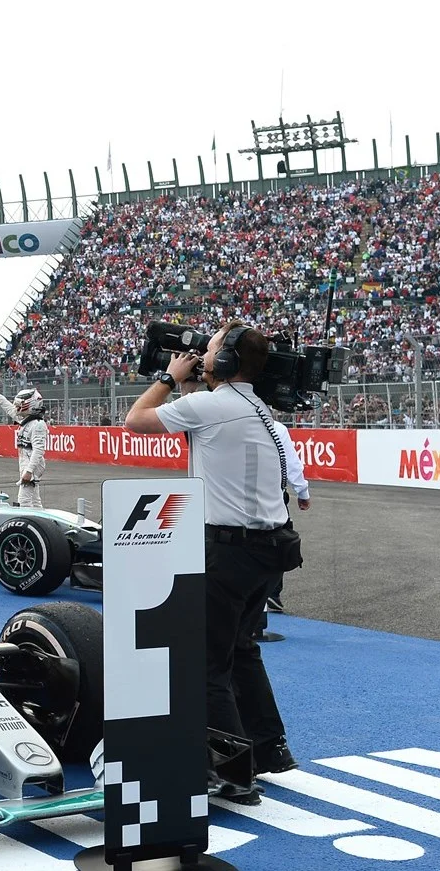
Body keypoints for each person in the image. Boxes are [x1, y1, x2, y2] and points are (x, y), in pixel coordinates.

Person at [125, 320, 302, 805]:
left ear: (225, 361)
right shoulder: (256, 407)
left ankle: (232, 775)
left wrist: (168, 377)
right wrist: (190, 384)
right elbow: (201, 436)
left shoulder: (213, 406)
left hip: (229, 551)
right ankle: (269, 748)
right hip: (267, 550)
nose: (202, 354)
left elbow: (134, 421)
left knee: (206, 663)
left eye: (210, 350)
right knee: (241, 650)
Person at [252, 418, 312, 643]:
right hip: (272, 498)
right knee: (279, 544)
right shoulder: (275, 428)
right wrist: (303, 492)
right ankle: (272, 593)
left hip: (232, 501)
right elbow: (291, 463)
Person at [0, 382, 49, 507]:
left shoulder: (38, 424)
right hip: (27, 463)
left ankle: (28, 519)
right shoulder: (26, 420)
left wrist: (29, 471)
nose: (17, 408)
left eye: (20, 405)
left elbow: (38, 450)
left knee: (23, 501)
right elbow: (9, 408)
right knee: (35, 501)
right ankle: (39, 517)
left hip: (32, 465)